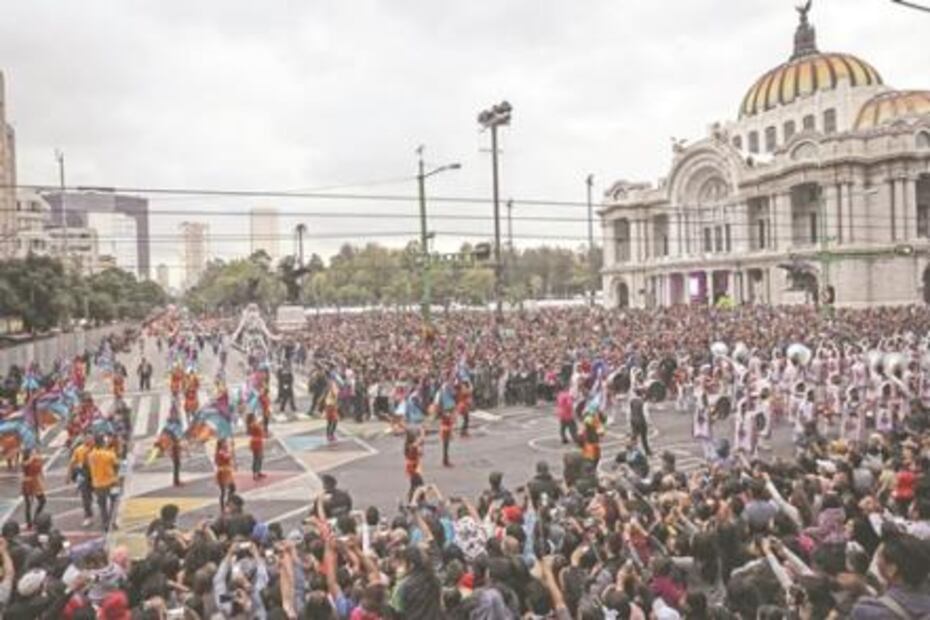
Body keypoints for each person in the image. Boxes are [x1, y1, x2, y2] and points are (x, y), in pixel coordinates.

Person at [87, 435, 119, 530]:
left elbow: (90, 467)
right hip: (112, 482)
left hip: (97, 484)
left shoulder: (90, 455)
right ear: (103, 443)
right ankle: (112, 521)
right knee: (114, 502)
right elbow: (116, 465)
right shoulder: (110, 454)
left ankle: (105, 523)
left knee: (102, 505)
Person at [69, 434, 95, 527]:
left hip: (97, 475)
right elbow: (72, 463)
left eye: (91, 440)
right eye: (88, 440)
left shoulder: (97, 449)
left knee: (102, 497)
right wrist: (69, 476)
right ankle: (88, 516)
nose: (90, 442)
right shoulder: (79, 450)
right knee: (85, 498)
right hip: (84, 475)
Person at [20, 449, 46, 530]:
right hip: (27, 483)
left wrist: (42, 480)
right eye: (32, 452)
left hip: (36, 482)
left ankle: (35, 519)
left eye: (35, 452)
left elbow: (40, 470)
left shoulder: (37, 460)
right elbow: (24, 464)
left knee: (42, 500)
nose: (35, 454)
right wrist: (32, 458)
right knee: (28, 504)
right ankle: (29, 523)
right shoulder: (26, 462)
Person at [214, 438, 236, 512]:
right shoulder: (220, 452)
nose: (226, 444)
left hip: (226, 471)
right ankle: (223, 506)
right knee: (224, 491)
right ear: (221, 444)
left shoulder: (223, 451)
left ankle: (227, 504)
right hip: (223, 472)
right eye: (225, 443)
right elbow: (227, 457)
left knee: (231, 488)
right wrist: (231, 449)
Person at [629, 387, 652, 456]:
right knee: (643, 437)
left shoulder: (632, 401)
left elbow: (631, 410)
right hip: (641, 420)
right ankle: (647, 451)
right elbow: (645, 413)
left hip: (633, 420)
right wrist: (649, 422)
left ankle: (631, 449)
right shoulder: (642, 402)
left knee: (634, 436)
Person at [404, 427, 425, 502]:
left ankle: (411, 499)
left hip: (413, 466)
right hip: (413, 467)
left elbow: (421, 454)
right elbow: (421, 440)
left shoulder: (409, 445)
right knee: (420, 484)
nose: (416, 438)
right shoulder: (411, 446)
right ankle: (418, 500)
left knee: (414, 484)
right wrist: (422, 432)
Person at [246, 413, 265, 480]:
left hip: (258, 441)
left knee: (259, 458)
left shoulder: (253, 424)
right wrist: (260, 421)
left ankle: (258, 472)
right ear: (252, 418)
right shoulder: (253, 424)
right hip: (256, 443)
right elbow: (259, 426)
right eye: (254, 416)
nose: (256, 417)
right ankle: (255, 474)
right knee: (256, 458)